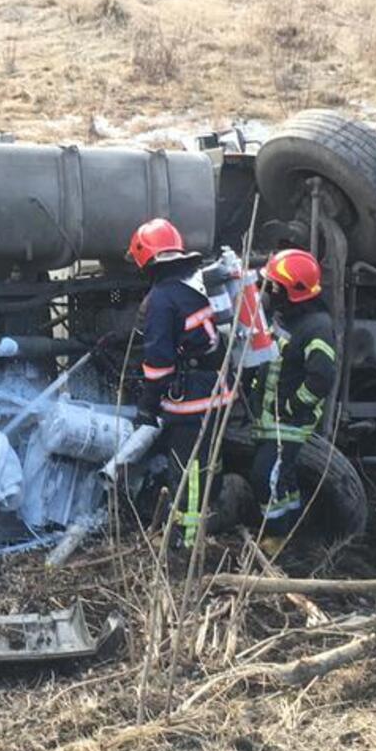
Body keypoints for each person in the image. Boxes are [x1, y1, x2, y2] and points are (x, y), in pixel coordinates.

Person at [124, 218, 232, 554]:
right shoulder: (188, 286)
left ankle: (186, 544)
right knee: (207, 461)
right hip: (214, 388)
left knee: (189, 469)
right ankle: (208, 522)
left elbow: (159, 364)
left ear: (145, 258)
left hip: (192, 397)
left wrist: (147, 404)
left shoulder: (160, 298)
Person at [248, 248, 339, 546]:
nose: (269, 290)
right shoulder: (286, 317)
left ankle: (275, 537)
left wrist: (290, 407)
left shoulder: (317, 328)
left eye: (274, 286)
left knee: (265, 476)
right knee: (282, 476)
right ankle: (295, 527)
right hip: (271, 418)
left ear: (292, 291)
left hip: (287, 422)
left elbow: (321, 377)